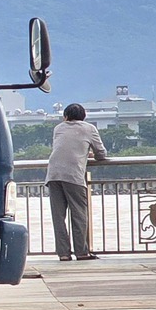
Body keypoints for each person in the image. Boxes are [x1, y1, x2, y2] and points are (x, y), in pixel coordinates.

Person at [47, 102, 108, 261]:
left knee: (58, 217)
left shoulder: (58, 128)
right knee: (79, 215)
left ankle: (64, 254)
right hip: (73, 175)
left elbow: (64, 148)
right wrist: (89, 155)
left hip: (53, 174)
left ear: (65, 116)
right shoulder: (89, 129)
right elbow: (101, 153)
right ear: (84, 117)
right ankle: (81, 252)